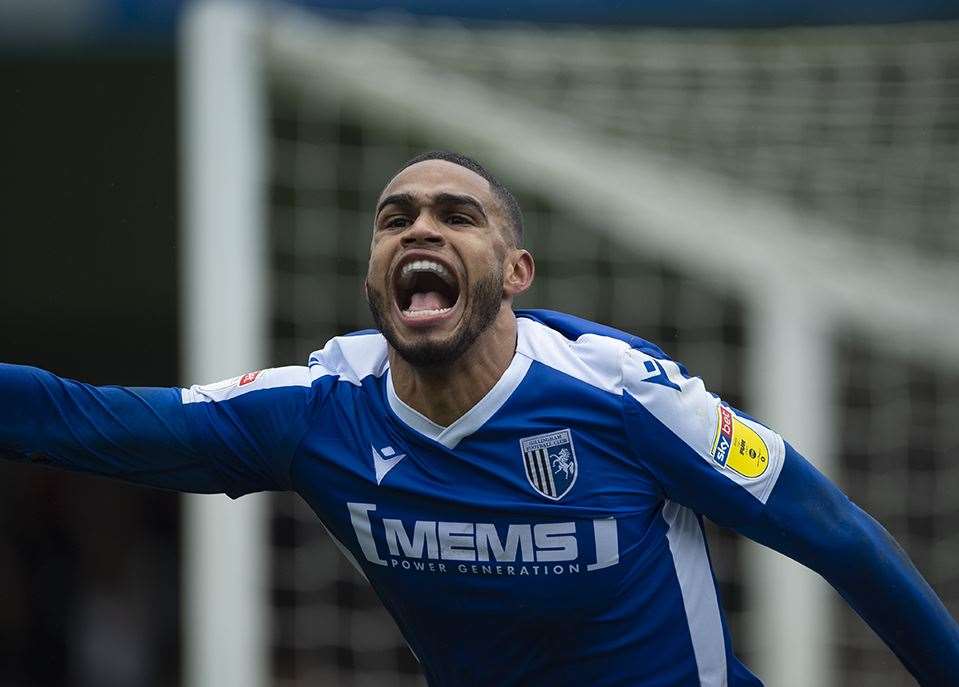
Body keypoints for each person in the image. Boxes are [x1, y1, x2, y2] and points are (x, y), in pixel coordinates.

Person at [1, 150, 957, 686]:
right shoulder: (318, 412)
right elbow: (88, 422)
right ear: (374, 276)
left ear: (515, 273)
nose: (419, 226)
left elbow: (840, 537)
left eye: (456, 215)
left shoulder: (625, 395)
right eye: (393, 218)